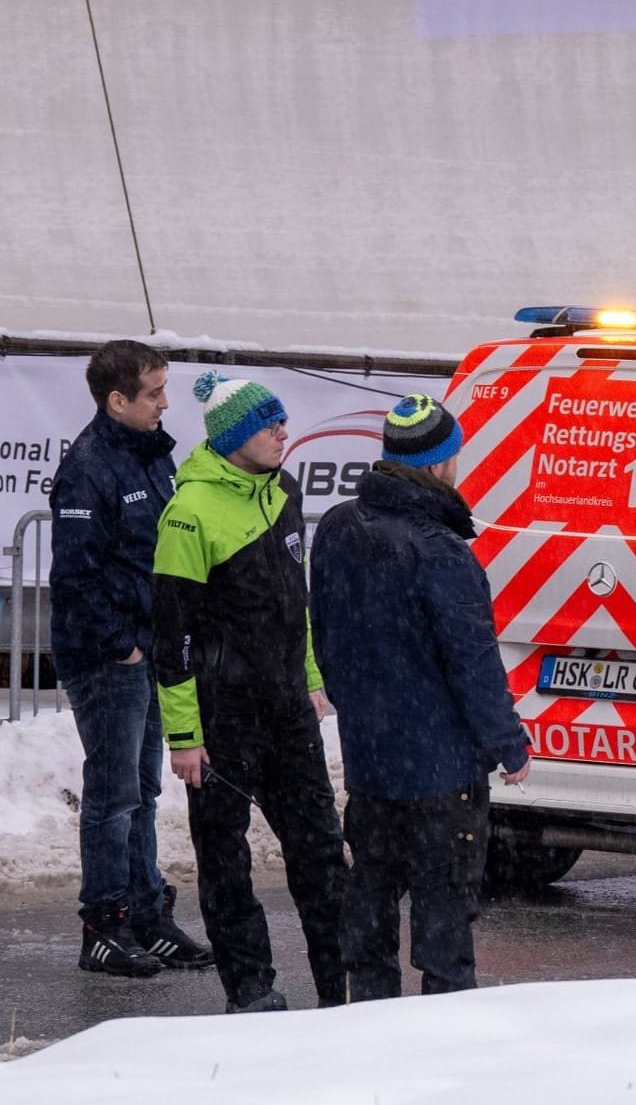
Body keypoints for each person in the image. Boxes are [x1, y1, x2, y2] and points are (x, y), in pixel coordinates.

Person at [310, 394, 531, 1000]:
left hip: (373, 763)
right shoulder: (441, 549)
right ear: (439, 464)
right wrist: (508, 744)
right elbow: (473, 662)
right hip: (441, 774)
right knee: (444, 930)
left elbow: (325, 636)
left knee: (371, 910)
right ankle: (439, 1056)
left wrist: (362, 712)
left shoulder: (336, 528)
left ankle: (366, 1029)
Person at [152, 370, 347, 1013]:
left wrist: (312, 678)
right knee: (227, 862)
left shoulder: (284, 490)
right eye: (270, 425)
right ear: (234, 435)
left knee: (320, 851)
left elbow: (300, 601)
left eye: (283, 421)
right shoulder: (188, 514)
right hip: (221, 720)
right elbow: (172, 636)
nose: (284, 433)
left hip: (287, 709)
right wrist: (185, 736)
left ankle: (342, 989)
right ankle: (251, 990)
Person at [50, 341, 213, 977]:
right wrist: (123, 645)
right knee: (115, 794)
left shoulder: (152, 455)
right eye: (154, 393)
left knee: (145, 791)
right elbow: (76, 576)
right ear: (117, 400)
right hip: (107, 659)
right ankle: (105, 924)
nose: (166, 404)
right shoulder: (90, 467)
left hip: (148, 651)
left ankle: (147, 913)